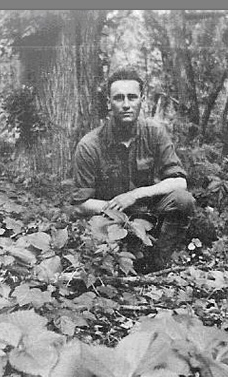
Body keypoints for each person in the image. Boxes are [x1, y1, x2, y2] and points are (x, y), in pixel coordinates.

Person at [71, 67, 195, 272]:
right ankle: (120, 264)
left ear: (142, 100)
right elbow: (81, 203)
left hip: (150, 213)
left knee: (183, 200)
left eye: (132, 97)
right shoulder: (90, 145)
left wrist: (135, 195)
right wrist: (118, 208)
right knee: (97, 243)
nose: (126, 105)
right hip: (110, 217)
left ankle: (156, 261)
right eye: (119, 98)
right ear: (109, 103)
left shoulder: (154, 133)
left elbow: (179, 182)